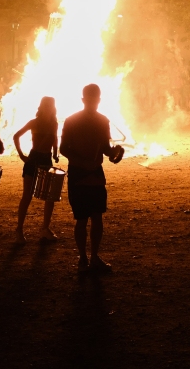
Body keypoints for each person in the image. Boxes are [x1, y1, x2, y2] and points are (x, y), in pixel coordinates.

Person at [59, 84, 124, 273]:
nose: (93, 102)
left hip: (95, 174)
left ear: (99, 100)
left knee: (97, 217)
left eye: (95, 99)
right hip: (79, 175)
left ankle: (94, 256)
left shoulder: (103, 121)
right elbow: (64, 148)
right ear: (83, 100)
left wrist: (115, 153)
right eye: (90, 99)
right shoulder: (71, 121)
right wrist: (81, 161)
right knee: (81, 219)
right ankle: (83, 257)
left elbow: (105, 147)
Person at [12, 96, 60, 244]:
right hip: (33, 160)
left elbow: (55, 139)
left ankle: (45, 229)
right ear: (41, 107)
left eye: (51, 106)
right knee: (27, 195)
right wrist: (21, 155)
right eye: (47, 105)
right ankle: (19, 229)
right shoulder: (34, 123)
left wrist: (55, 153)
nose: (49, 108)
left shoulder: (54, 124)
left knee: (49, 197)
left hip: (46, 160)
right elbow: (16, 136)